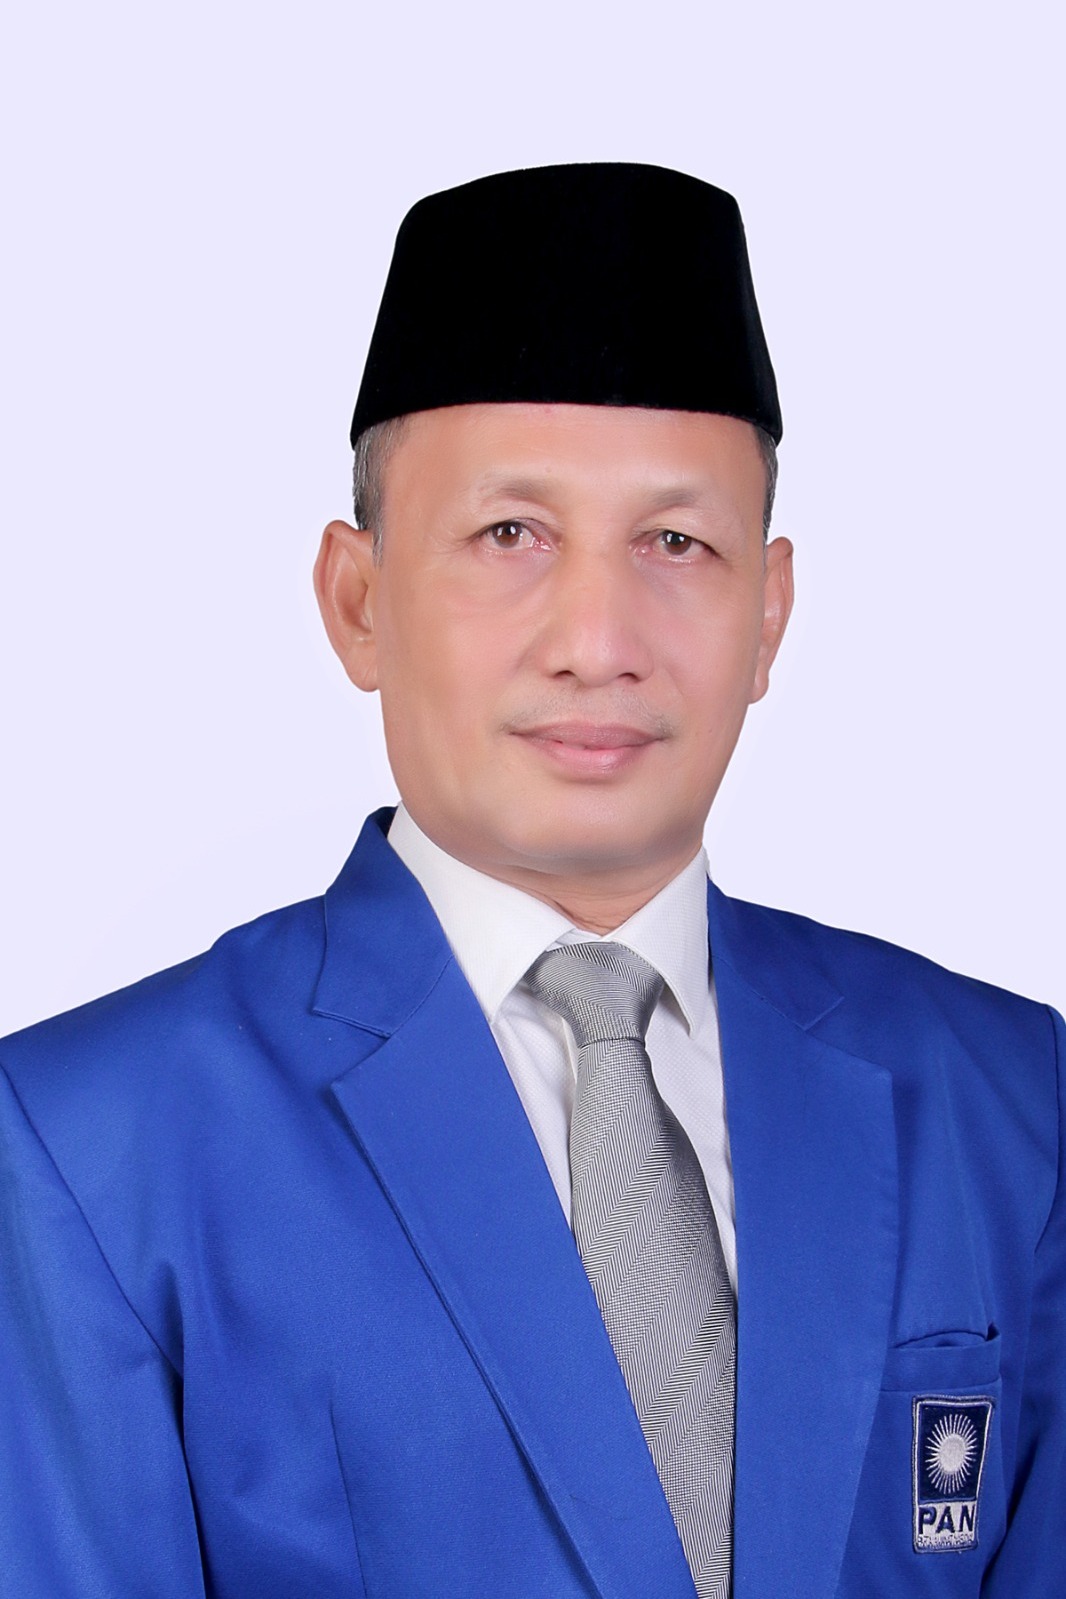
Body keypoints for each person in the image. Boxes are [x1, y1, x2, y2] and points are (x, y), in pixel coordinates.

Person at [0, 162, 1062, 1599]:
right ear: (358, 600)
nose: (597, 640)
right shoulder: (90, 1144)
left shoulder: (1007, 1099)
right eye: (511, 535)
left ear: (767, 614)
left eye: (676, 542)